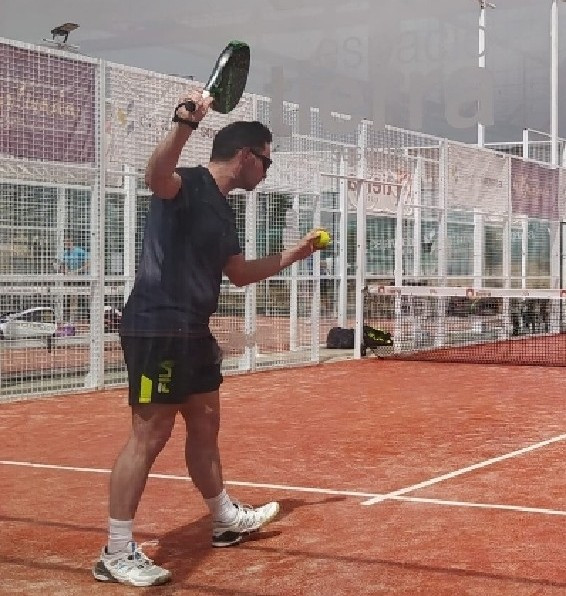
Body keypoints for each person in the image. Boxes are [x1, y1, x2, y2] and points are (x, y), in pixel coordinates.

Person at [92, 90, 324, 587]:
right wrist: (185, 124)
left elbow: (238, 274)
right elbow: (156, 176)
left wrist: (296, 254)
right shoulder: (189, 182)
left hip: (193, 330)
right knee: (150, 434)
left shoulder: (223, 209)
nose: (267, 172)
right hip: (157, 326)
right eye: (266, 161)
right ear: (245, 156)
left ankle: (223, 519)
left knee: (205, 421)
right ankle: (115, 550)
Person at [60, 235, 89, 322]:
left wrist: (77, 271)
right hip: (71, 278)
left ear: (71, 242)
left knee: (85, 297)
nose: (66, 245)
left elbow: (88, 264)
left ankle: (86, 317)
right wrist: (66, 272)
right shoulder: (65, 253)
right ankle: (72, 317)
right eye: (65, 243)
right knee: (72, 297)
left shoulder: (80, 252)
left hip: (82, 278)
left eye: (67, 242)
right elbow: (64, 265)